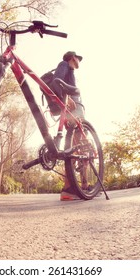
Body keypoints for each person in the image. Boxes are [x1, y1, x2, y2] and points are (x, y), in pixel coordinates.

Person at [51, 51, 85, 201]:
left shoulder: (70, 70)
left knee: (77, 145)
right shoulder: (64, 64)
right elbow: (57, 81)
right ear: (73, 58)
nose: (79, 61)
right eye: (78, 58)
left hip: (74, 107)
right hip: (74, 108)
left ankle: (82, 186)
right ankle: (69, 187)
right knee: (79, 145)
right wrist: (68, 98)